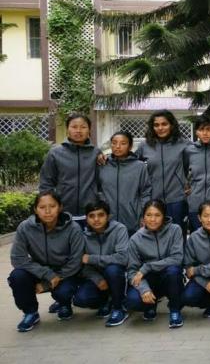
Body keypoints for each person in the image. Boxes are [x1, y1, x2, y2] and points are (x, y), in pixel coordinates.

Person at [8, 191, 84, 331]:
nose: (47, 211)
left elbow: (76, 261)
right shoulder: (25, 227)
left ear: (60, 207)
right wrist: (47, 275)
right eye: (42, 207)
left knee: (63, 292)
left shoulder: (73, 228)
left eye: (52, 206)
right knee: (17, 276)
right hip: (39, 270)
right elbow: (17, 258)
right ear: (35, 209)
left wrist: (48, 283)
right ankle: (30, 312)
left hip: (65, 272)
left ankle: (64, 304)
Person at [124, 200, 185, 329]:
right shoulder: (135, 239)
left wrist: (147, 267)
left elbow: (177, 258)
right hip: (149, 280)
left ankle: (175, 310)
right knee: (132, 301)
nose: (153, 219)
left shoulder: (175, 230)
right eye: (149, 215)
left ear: (164, 216)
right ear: (143, 217)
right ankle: (150, 305)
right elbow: (132, 271)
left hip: (170, 279)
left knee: (173, 270)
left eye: (157, 215)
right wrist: (144, 289)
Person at [72, 200, 130, 327]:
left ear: (108, 216)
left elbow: (123, 258)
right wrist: (97, 279)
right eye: (91, 216)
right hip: (97, 278)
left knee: (112, 270)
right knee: (81, 299)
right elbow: (82, 264)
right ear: (86, 218)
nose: (96, 219)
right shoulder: (83, 236)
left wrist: (92, 259)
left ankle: (119, 307)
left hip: (117, 276)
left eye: (101, 215)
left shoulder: (119, 229)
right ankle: (106, 301)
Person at [39, 113, 101, 228]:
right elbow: (46, 183)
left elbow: (102, 181)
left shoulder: (96, 153)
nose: (78, 131)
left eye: (83, 127)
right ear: (67, 129)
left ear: (89, 129)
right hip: (63, 212)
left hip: (91, 213)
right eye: (74, 127)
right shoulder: (55, 153)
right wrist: (51, 207)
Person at [135, 110, 191, 238]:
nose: (160, 128)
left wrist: (190, 183)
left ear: (171, 125)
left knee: (177, 237)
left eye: (164, 124)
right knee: (155, 238)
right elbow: (129, 161)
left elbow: (200, 158)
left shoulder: (183, 144)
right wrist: (105, 158)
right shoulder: (145, 146)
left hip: (177, 200)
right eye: (156, 125)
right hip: (153, 201)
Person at [98, 131, 152, 236]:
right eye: (114, 143)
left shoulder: (140, 167)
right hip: (107, 221)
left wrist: (144, 215)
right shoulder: (103, 165)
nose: (118, 146)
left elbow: (145, 193)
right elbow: (98, 189)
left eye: (123, 143)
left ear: (130, 146)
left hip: (132, 221)